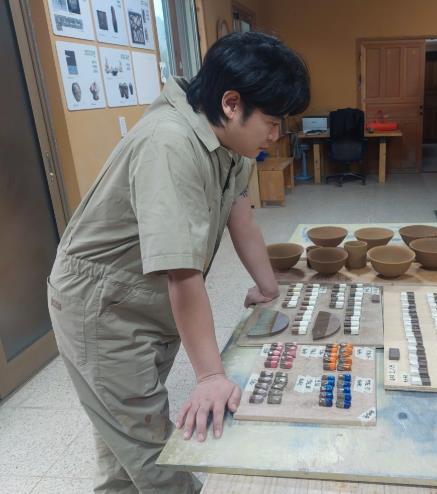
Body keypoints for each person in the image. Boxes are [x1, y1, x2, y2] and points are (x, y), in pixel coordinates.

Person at [46, 32, 310, 493]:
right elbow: (182, 274)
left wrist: (268, 286)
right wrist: (209, 375)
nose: (275, 134)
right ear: (232, 103)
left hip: (143, 299)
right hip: (103, 307)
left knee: (123, 439)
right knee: (153, 452)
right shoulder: (169, 144)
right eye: (271, 121)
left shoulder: (229, 142)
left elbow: (241, 216)